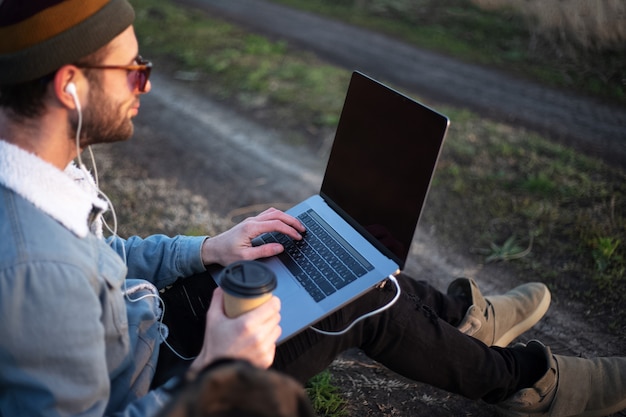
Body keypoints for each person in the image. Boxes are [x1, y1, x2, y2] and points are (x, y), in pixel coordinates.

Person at [0, 1, 624, 416]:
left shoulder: (31, 181)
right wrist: (218, 371)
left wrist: (207, 249)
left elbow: (102, 257)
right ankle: (526, 379)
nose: (148, 83)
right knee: (356, 293)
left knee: (308, 246)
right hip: (170, 375)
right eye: (133, 70)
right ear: (69, 86)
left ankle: (459, 321)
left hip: (152, 322)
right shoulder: (36, 275)